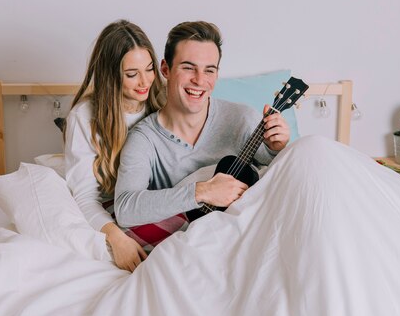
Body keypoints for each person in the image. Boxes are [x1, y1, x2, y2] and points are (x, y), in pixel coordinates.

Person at [114, 21, 291, 227]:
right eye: (189, 68)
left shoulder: (242, 118)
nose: (199, 80)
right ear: (165, 69)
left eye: (209, 70)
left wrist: (277, 149)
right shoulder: (145, 139)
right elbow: (125, 209)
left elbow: (283, 183)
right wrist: (203, 191)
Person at [64, 19, 165, 271]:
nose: (145, 81)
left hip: (156, 201)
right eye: (132, 74)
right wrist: (116, 237)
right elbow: (86, 196)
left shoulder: (163, 103)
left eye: (150, 69)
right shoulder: (84, 117)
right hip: (111, 209)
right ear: (111, 75)